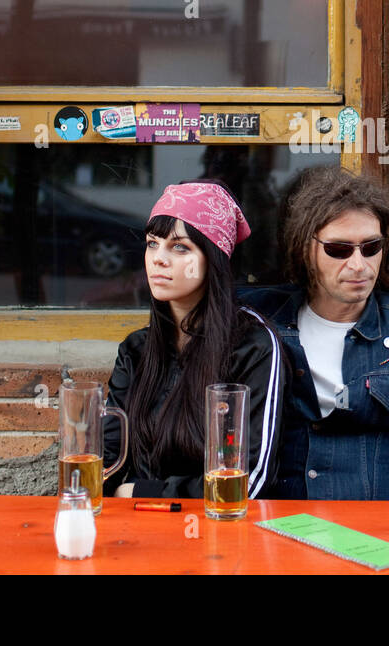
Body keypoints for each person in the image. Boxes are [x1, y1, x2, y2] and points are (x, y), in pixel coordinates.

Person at [240, 167, 389, 501]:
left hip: (379, 536)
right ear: (305, 249)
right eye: (339, 249)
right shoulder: (261, 323)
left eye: (371, 247)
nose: (359, 264)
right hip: (279, 532)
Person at [102, 181, 286, 498]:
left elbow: (248, 482)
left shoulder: (253, 347)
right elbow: (107, 460)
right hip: (138, 531)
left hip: (221, 530)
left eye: (180, 247)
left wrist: (142, 492)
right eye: (152, 243)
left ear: (213, 259)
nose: (158, 258)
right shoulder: (137, 350)